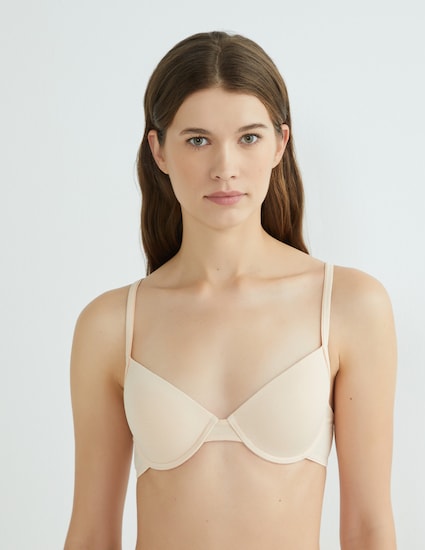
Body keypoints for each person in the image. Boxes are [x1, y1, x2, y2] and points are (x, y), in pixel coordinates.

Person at [64, 31, 397, 550]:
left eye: (248, 138)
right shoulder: (110, 325)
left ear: (280, 144)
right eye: (198, 140)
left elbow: (368, 529)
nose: (225, 168)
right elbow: (90, 535)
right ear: (159, 150)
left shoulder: (349, 306)